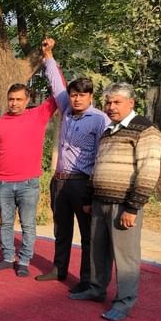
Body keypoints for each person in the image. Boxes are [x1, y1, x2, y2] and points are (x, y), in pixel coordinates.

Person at [70, 82, 161, 321]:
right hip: (99, 202)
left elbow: (148, 171)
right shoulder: (109, 131)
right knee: (97, 251)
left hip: (123, 205)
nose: (111, 107)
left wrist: (133, 207)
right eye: (108, 102)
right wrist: (89, 198)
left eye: (116, 102)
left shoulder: (146, 130)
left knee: (125, 256)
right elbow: (97, 166)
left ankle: (124, 302)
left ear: (131, 102)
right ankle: (96, 289)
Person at [35, 39, 110, 292]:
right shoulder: (66, 109)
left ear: (91, 97)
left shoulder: (100, 120)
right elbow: (56, 84)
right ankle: (59, 268)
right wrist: (48, 55)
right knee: (61, 229)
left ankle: (87, 279)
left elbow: (102, 157)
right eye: (74, 95)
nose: (76, 99)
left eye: (82, 95)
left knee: (88, 235)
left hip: (82, 183)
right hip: (60, 182)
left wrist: (93, 191)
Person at [0, 63, 58, 277]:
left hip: (28, 184)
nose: (14, 103)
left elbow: (58, 94)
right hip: (4, 184)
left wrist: (50, 60)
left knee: (28, 225)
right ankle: (8, 258)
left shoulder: (38, 115)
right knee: (6, 224)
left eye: (19, 99)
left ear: (27, 100)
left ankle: (24, 260)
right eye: (11, 99)